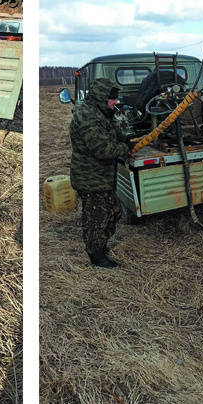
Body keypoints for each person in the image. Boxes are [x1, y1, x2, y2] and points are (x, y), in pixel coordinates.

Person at [69, 78, 128, 268]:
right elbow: (103, 149)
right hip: (90, 179)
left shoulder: (100, 112)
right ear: (102, 97)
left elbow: (110, 135)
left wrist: (125, 137)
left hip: (102, 177)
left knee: (114, 212)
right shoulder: (87, 115)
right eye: (113, 99)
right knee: (96, 218)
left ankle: (100, 245)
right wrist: (125, 148)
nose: (116, 103)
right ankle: (96, 255)